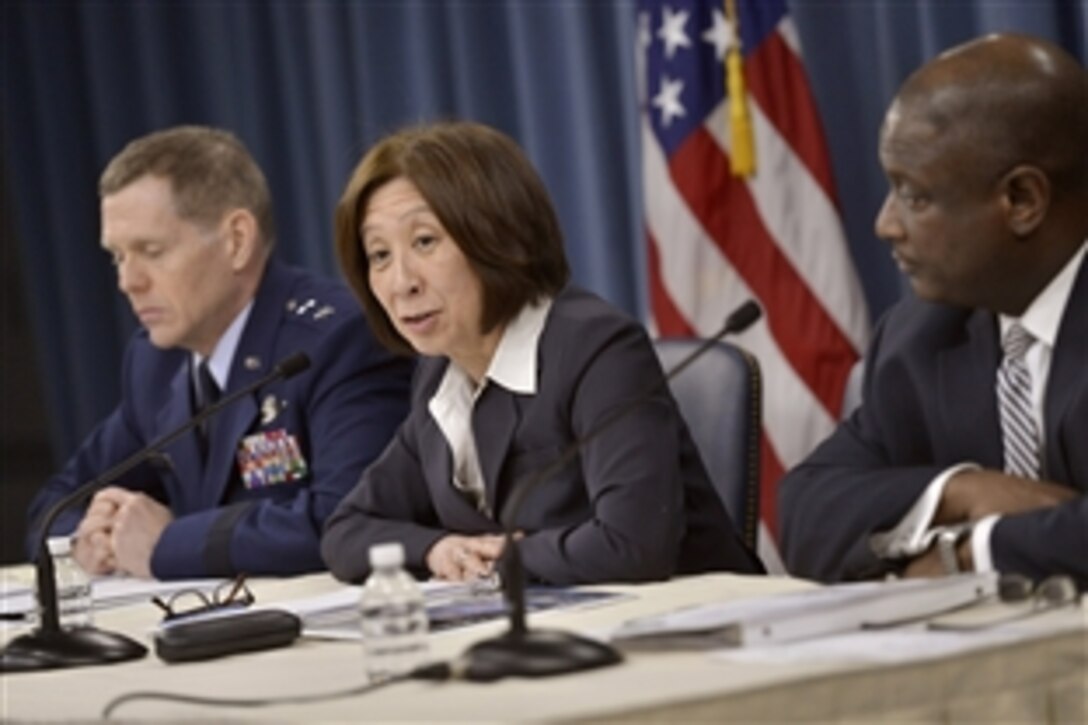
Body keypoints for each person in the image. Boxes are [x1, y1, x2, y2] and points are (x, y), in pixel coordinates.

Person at [321, 121, 763, 585]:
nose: (401, 283)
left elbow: (634, 546)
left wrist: (504, 561)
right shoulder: (439, 376)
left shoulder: (597, 349)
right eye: (378, 255)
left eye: (425, 241)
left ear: (498, 235)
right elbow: (346, 532)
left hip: (695, 630)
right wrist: (437, 549)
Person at [27, 126, 414, 579]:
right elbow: (55, 505)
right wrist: (88, 536)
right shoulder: (156, 362)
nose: (128, 282)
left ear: (236, 240)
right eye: (117, 257)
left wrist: (167, 544)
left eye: (151, 251)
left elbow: (346, 520)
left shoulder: (338, 340)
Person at [779, 34, 1088, 588]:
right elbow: (806, 513)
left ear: (1022, 201)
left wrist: (971, 554)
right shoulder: (918, 339)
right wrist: (959, 492)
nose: (885, 224)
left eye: (914, 196)